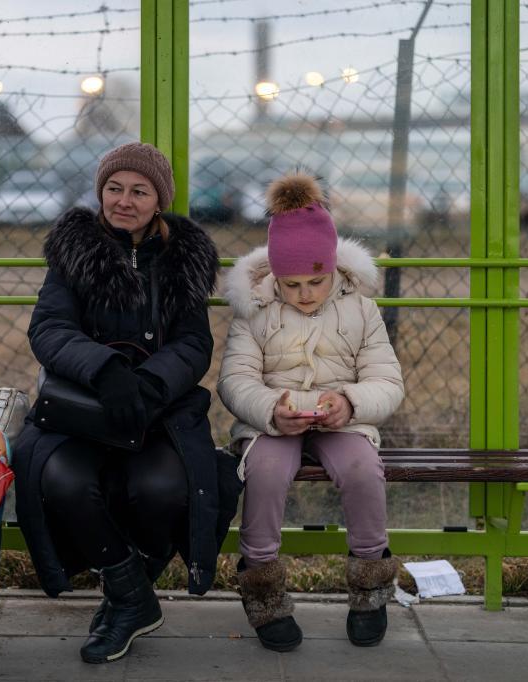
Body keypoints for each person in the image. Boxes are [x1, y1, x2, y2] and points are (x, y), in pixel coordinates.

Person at [13, 142, 240, 664]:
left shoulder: (184, 256)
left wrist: (150, 385)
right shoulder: (75, 248)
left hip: (158, 411)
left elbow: (193, 343)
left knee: (162, 487)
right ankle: (131, 595)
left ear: (159, 200)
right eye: (114, 188)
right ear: (101, 192)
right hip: (84, 407)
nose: (124, 200)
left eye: (139, 191)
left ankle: (128, 596)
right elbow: (49, 328)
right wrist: (106, 371)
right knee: (61, 478)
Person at [217, 173, 404, 652]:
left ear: (335, 269)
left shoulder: (361, 308)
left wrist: (351, 402)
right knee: (264, 472)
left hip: (341, 420)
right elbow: (235, 380)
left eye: (316, 282)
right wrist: (270, 410)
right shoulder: (255, 309)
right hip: (273, 423)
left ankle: (370, 586)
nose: (304, 294)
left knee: (362, 469)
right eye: (292, 284)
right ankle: (263, 587)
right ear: (275, 276)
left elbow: (387, 380)